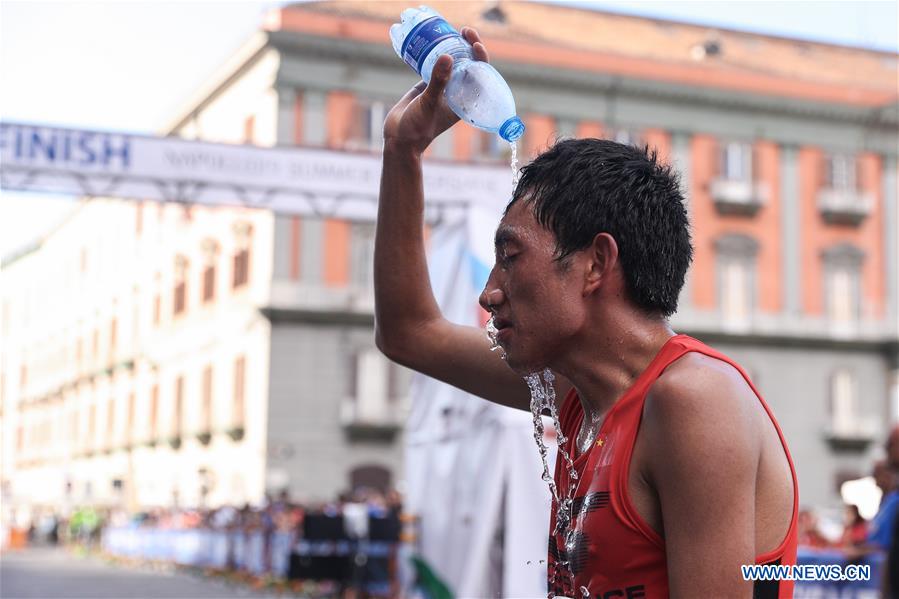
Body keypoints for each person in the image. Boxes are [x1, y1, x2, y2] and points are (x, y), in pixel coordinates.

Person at [374, 26, 798, 598]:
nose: (489, 292)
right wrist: (403, 153)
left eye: (511, 257)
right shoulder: (577, 391)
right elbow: (409, 334)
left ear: (595, 264)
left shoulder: (691, 400)